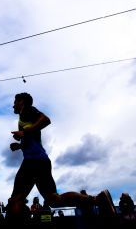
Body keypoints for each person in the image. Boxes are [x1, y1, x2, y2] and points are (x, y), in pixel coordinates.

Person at [7, 92, 116, 220]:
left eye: (15, 102)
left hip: (32, 162)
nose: (13, 105)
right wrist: (20, 146)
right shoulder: (23, 117)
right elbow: (33, 139)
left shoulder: (27, 110)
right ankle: (97, 199)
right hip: (40, 161)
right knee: (54, 199)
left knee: (15, 200)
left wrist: (24, 132)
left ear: (22, 102)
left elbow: (46, 120)